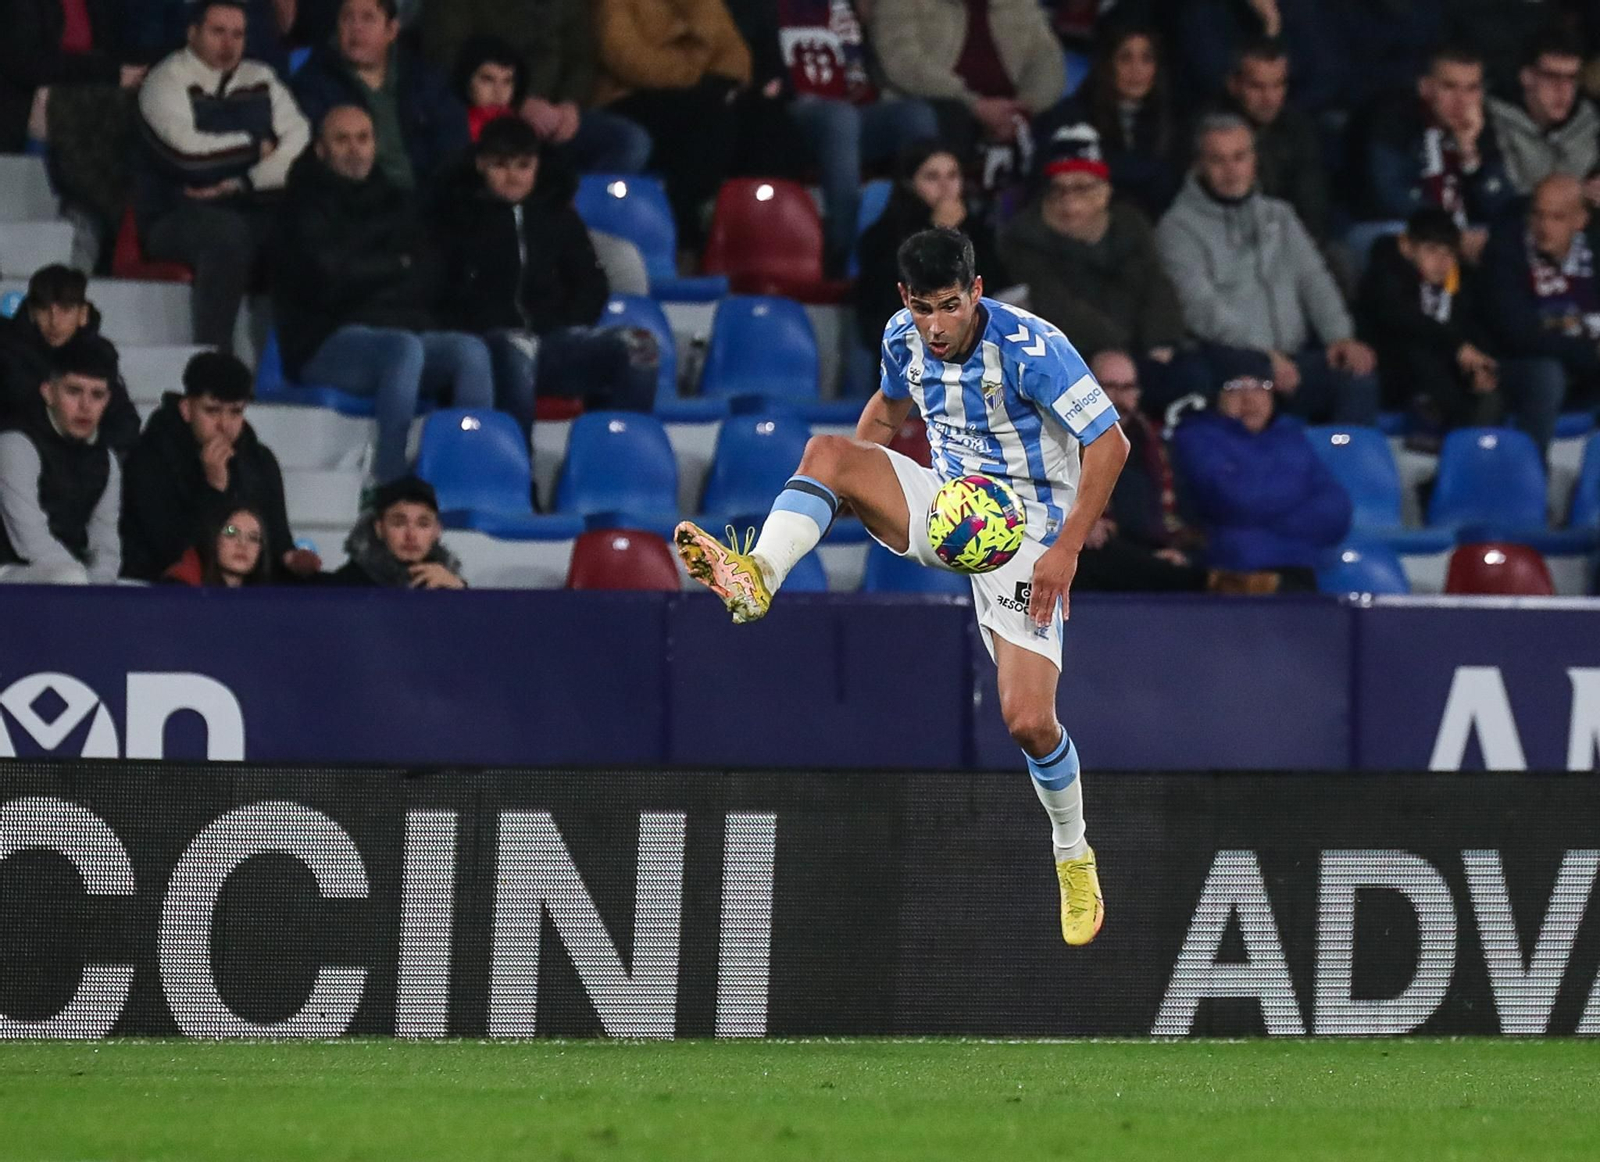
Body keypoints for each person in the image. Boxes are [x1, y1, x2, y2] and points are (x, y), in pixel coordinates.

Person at [674, 227, 1130, 947]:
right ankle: (758, 575)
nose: (936, 325)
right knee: (827, 452)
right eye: (923, 308)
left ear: (976, 292)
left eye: (950, 306)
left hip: (1027, 539)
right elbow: (888, 414)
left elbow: (1111, 443)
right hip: (947, 508)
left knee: (1028, 722)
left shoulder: (1034, 349)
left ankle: (1072, 855)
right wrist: (845, 487)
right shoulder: (901, 337)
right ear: (903, 299)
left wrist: (1068, 548)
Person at [272, 104, 495, 482]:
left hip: (397, 329)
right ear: (320, 149)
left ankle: (469, 471)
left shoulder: (397, 201)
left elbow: (428, 273)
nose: (355, 149)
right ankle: (390, 480)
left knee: (469, 351)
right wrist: (395, 266)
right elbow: (327, 281)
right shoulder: (300, 206)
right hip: (325, 342)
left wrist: (370, 272)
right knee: (402, 349)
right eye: (342, 140)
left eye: (363, 138)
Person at [432, 116, 654, 430]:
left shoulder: (556, 214)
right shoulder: (454, 217)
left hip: (553, 341)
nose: (513, 177)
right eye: (501, 166)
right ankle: (516, 457)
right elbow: (436, 291)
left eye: (523, 166)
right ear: (481, 164)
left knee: (639, 346)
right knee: (515, 348)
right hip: (489, 347)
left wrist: (566, 323)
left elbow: (591, 283)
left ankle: (619, 449)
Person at [1158, 112, 1380, 425]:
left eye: (1239, 157)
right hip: (1232, 362)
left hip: (1294, 357)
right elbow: (1200, 309)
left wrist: (1340, 337)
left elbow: (1313, 279)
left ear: (1254, 159)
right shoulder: (1176, 228)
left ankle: (1339, 454)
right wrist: (1260, 356)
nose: (1231, 170)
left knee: (1356, 377)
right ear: (1199, 165)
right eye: (1218, 160)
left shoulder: (1280, 215)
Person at [135, 0, 310, 352]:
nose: (229, 44)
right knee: (227, 235)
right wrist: (254, 148)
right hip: (175, 213)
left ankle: (299, 359)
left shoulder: (261, 78)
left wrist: (242, 182)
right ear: (192, 33)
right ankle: (213, 360)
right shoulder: (165, 80)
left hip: (252, 202)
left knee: (308, 224)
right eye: (218, 32)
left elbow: (298, 147)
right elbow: (187, 156)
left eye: (238, 34)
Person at [998, 122, 1205, 418]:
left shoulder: (1130, 226)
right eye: (1059, 189)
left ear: (1103, 191)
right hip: (1074, 353)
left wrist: (1159, 342)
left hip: (1141, 350)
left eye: (1081, 188)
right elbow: (1053, 302)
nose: (1069, 200)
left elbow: (1156, 286)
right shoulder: (1025, 237)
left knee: (1193, 376)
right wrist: (1117, 350)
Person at [737, 0, 940, 275]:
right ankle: (846, 249)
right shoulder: (765, 7)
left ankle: (923, 238)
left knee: (916, 115)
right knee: (840, 118)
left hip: (852, 108)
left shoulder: (844, 7)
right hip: (794, 112)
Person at [120, 351, 315, 583]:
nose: (224, 424)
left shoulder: (259, 460)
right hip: (165, 588)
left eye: (235, 412)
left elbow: (276, 539)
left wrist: (291, 558)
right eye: (212, 411)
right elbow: (170, 549)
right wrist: (214, 489)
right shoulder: (149, 458)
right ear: (186, 409)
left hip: (243, 590)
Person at [1171, 355, 1352, 593]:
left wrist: (1260, 525)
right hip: (1237, 572)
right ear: (1216, 395)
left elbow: (1337, 511)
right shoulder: (1196, 437)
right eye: (1235, 387)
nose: (1249, 398)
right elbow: (1237, 500)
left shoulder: (1291, 436)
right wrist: (1295, 496)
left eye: (1260, 386)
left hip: (1301, 566)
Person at [592, 0, 753, 250]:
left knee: (763, 119)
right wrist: (694, 74)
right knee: (708, 119)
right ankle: (683, 228)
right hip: (628, 96)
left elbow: (735, 53)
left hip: (696, 96)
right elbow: (624, 56)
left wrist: (714, 80)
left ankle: (754, 233)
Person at [421, 0, 652, 173]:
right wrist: (517, 102)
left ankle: (570, 212)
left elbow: (580, 58)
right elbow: (446, 56)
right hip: (486, 111)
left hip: (553, 113)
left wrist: (569, 105)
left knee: (630, 142)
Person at [1357, 208, 1509, 437]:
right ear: (1407, 246)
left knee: (1493, 381)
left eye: (1449, 253)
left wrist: (1476, 368)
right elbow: (1404, 320)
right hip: (1392, 372)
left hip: (1445, 375)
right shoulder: (1386, 274)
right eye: (1431, 250)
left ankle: (1475, 442)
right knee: (1418, 351)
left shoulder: (1460, 284)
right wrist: (1458, 347)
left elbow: (1474, 328)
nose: (1442, 262)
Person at [290, 0, 469, 193]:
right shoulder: (313, 84)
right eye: (347, 18)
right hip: (355, 199)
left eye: (368, 18)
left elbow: (453, 144)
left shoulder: (425, 78)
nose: (356, 27)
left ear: (391, 30)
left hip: (430, 197)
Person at [1481, 173, 1600, 453]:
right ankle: (1531, 467)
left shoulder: (1595, 250)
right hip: (1518, 365)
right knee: (1547, 374)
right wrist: (1590, 351)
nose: (1545, 227)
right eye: (1538, 215)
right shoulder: (1506, 251)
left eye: (1557, 218)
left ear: (1580, 220)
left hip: (1584, 360)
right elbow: (1519, 335)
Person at [1364, 44, 1515, 264]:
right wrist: (1449, 234)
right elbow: (1391, 197)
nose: (1461, 101)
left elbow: (1501, 206)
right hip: (1399, 227)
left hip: (1461, 232)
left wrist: (1469, 155)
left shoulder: (1480, 128)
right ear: (1425, 87)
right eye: (1450, 87)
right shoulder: (1395, 120)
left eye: (1471, 89)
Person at [1074, 350, 1207, 593]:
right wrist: (1080, 519)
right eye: (1109, 387)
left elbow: (1178, 513)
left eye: (1128, 388)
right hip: (1095, 551)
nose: (1119, 398)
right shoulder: (1064, 440)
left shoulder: (1154, 444)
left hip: (1146, 553)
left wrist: (1173, 550)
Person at [855, 141, 1007, 350]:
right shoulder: (883, 237)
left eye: (952, 176)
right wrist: (940, 236)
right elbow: (891, 301)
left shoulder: (977, 230)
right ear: (909, 184)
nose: (945, 186)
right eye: (932, 177)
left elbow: (995, 287)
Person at [869, 0, 1065, 156]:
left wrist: (1024, 109)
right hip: (939, 101)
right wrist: (974, 104)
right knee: (953, 117)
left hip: (1012, 108)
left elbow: (1046, 57)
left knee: (1065, 120)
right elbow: (902, 62)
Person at [0, 335, 122, 586]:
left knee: (138, 591)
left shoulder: (106, 460)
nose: (85, 406)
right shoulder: (16, 445)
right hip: (10, 569)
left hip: (69, 575)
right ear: (48, 392)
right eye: (74, 391)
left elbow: (106, 544)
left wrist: (101, 584)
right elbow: (31, 543)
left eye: (97, 395)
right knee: (69, 578)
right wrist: (84, 586)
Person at [1039, 24, 1183, 219]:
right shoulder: (1070, 118)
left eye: (1147, 59)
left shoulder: (1169, 120)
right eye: (1125, 58)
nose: (1137, 70)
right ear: (1107, 65)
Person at [0, 266, 140, 458]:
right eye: (44, 309)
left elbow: (126, 424)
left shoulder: (99, 355)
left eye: (65, 310)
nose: (54, 322)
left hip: (81, 462)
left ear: (82, 314)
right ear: (32, 312)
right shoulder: (7, 351)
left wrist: (87, 443)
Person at [1222, 36, 1329, 243]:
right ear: (1233, 85)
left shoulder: (1298, 129)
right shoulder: (1209, 133)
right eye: (1257, 87)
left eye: (1278, 85)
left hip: (1291, 244)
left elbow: (1312, 206)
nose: (1269, 98)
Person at [1488, 31, 1600, 198]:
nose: (1563, 89)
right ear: (1527, 77)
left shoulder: (1590, 123)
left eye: (1571, 78)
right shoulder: (1491, 122)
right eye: (1552, 77)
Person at [331, 475, 467, 588]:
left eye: (423, 524)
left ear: (437, 531)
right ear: (379, 529)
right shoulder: (343, 586)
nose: (411, 535)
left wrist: (460, 594)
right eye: (399, 523)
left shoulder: (449, 584)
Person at [163, 505, 272, 587]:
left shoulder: (269, 598)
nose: (243, 544)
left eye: (253, 538)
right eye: (231, 532)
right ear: (214, 538)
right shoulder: (181, 586)